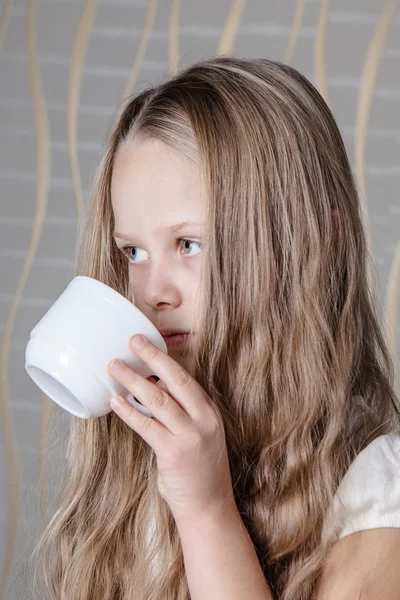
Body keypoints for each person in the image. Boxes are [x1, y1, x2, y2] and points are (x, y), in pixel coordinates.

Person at [30, 56, 400, 599]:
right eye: (132, 251)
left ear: (301, 246)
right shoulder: (142, 460)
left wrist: (207, 515)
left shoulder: (376, 491)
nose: (153, 291)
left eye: (189, 245)